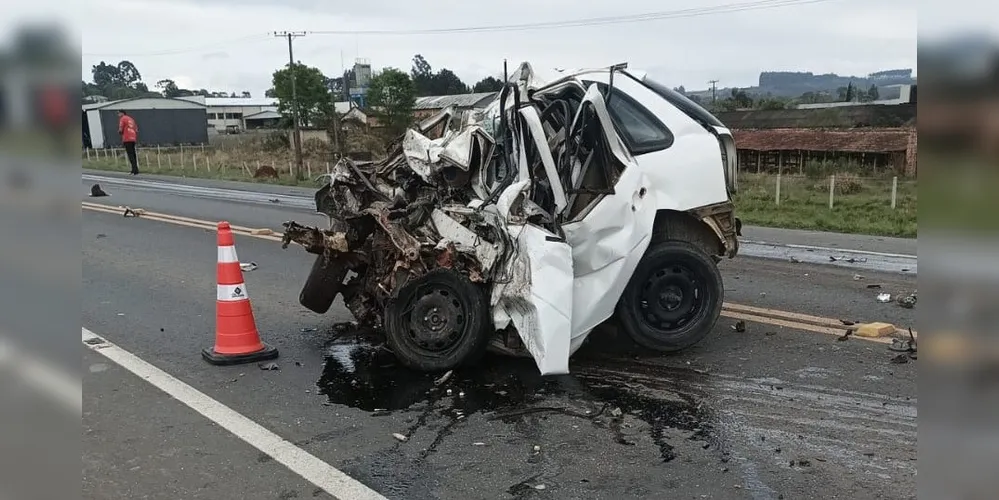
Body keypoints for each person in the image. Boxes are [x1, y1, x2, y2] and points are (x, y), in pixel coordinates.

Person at [118, 110, 139, 175]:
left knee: (130, 155)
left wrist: (120, 132)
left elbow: (120, 129)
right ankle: (135, 169)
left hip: (127, 138)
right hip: (133, 138)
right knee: (133, 154)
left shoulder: (122, 119)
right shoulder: (131, 119)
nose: (118, 114)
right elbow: (136, 129)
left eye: (118, 113)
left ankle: (134, 170)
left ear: (122, 113)